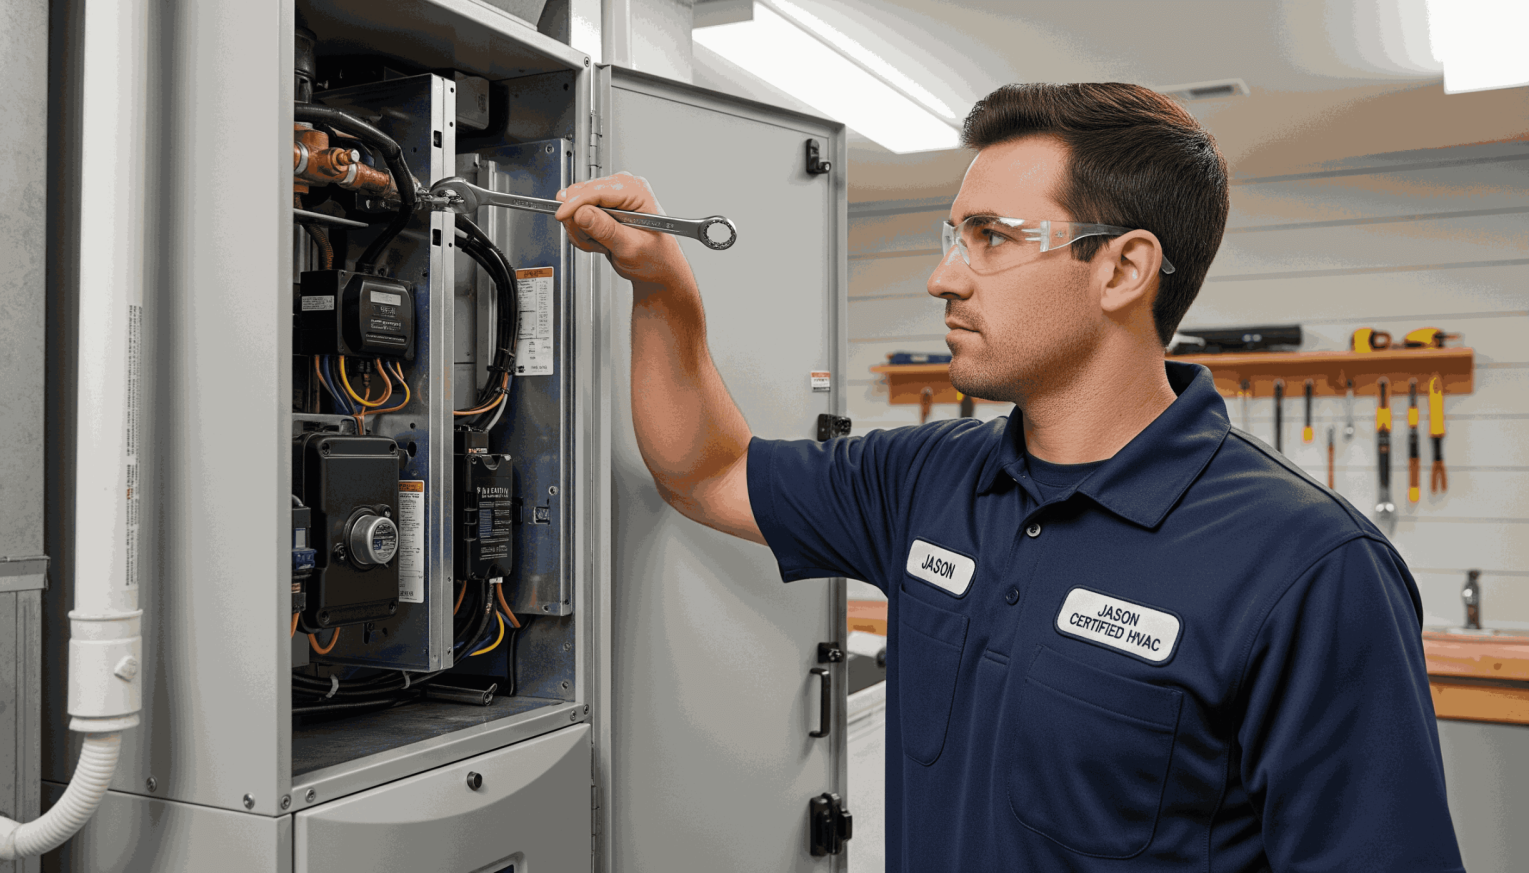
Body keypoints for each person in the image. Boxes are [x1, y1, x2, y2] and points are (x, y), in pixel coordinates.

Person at [554, 83, 1463, 872]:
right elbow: (706, 470)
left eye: (990, 237)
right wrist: (662, 285)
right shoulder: (927, 480)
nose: (943, 276)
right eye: (954, 234)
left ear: (1123, 268)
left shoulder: (1309, 567)